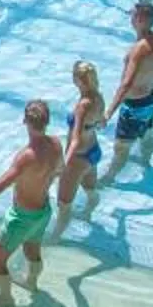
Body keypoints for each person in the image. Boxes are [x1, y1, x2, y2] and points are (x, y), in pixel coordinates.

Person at [0, 100, 67, 306]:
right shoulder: (56, 144)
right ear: (47, 121)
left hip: (22, 216)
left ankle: (5, 297)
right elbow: (61, 170)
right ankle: (31, 283)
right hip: (43, 211)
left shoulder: (26, 157)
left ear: (25, 120)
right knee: (32, 250)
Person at [112, 2, 153, 175]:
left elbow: (126, 83)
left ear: (139, 19)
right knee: (147, 133)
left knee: (121, 146)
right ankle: (145, 161)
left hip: (135, 106)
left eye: (133, 15)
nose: (130, 19)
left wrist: (109, 111)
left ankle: (109, 178)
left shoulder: (139, 49)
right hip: (152, 97)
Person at [53, 58, 106, 236]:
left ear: (78, 80)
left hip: (78, 157)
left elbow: (75, 139)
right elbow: (102, 123)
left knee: (64, 204)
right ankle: (88, 212)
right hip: (93, 151)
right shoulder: (98, 97)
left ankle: (55, 237)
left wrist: (62, 165)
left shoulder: (83, 105)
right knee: (90, 190)